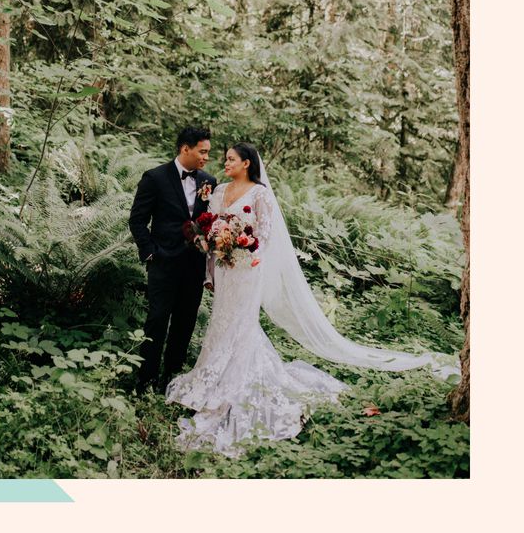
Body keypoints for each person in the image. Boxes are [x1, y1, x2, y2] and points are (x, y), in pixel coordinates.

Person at [164, 142, 461, 457]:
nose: (225, 163)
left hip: (247, 270)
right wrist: (212, 255)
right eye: (225, 159)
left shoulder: (260, 194)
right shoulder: (221, 190)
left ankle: (237, 384)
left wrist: (245, 248)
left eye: (231, 159)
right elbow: (210, 227)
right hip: (224, 269)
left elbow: (264, 235)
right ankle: (212, 374)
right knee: (221, 322)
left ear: (247, 163)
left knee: (241, 323)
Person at [128, 126, 217, 394]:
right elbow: (137, 219)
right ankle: (145, 381)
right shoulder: (155, 177)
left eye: (208, 152)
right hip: (163, 262)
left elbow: (211, 221)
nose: (206, 157)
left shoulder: (209, 182)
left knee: (185, 321)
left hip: (193, 266)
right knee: (156, 319)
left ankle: (172, 379)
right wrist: (150, 252)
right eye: (202, 152)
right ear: (185, 148)